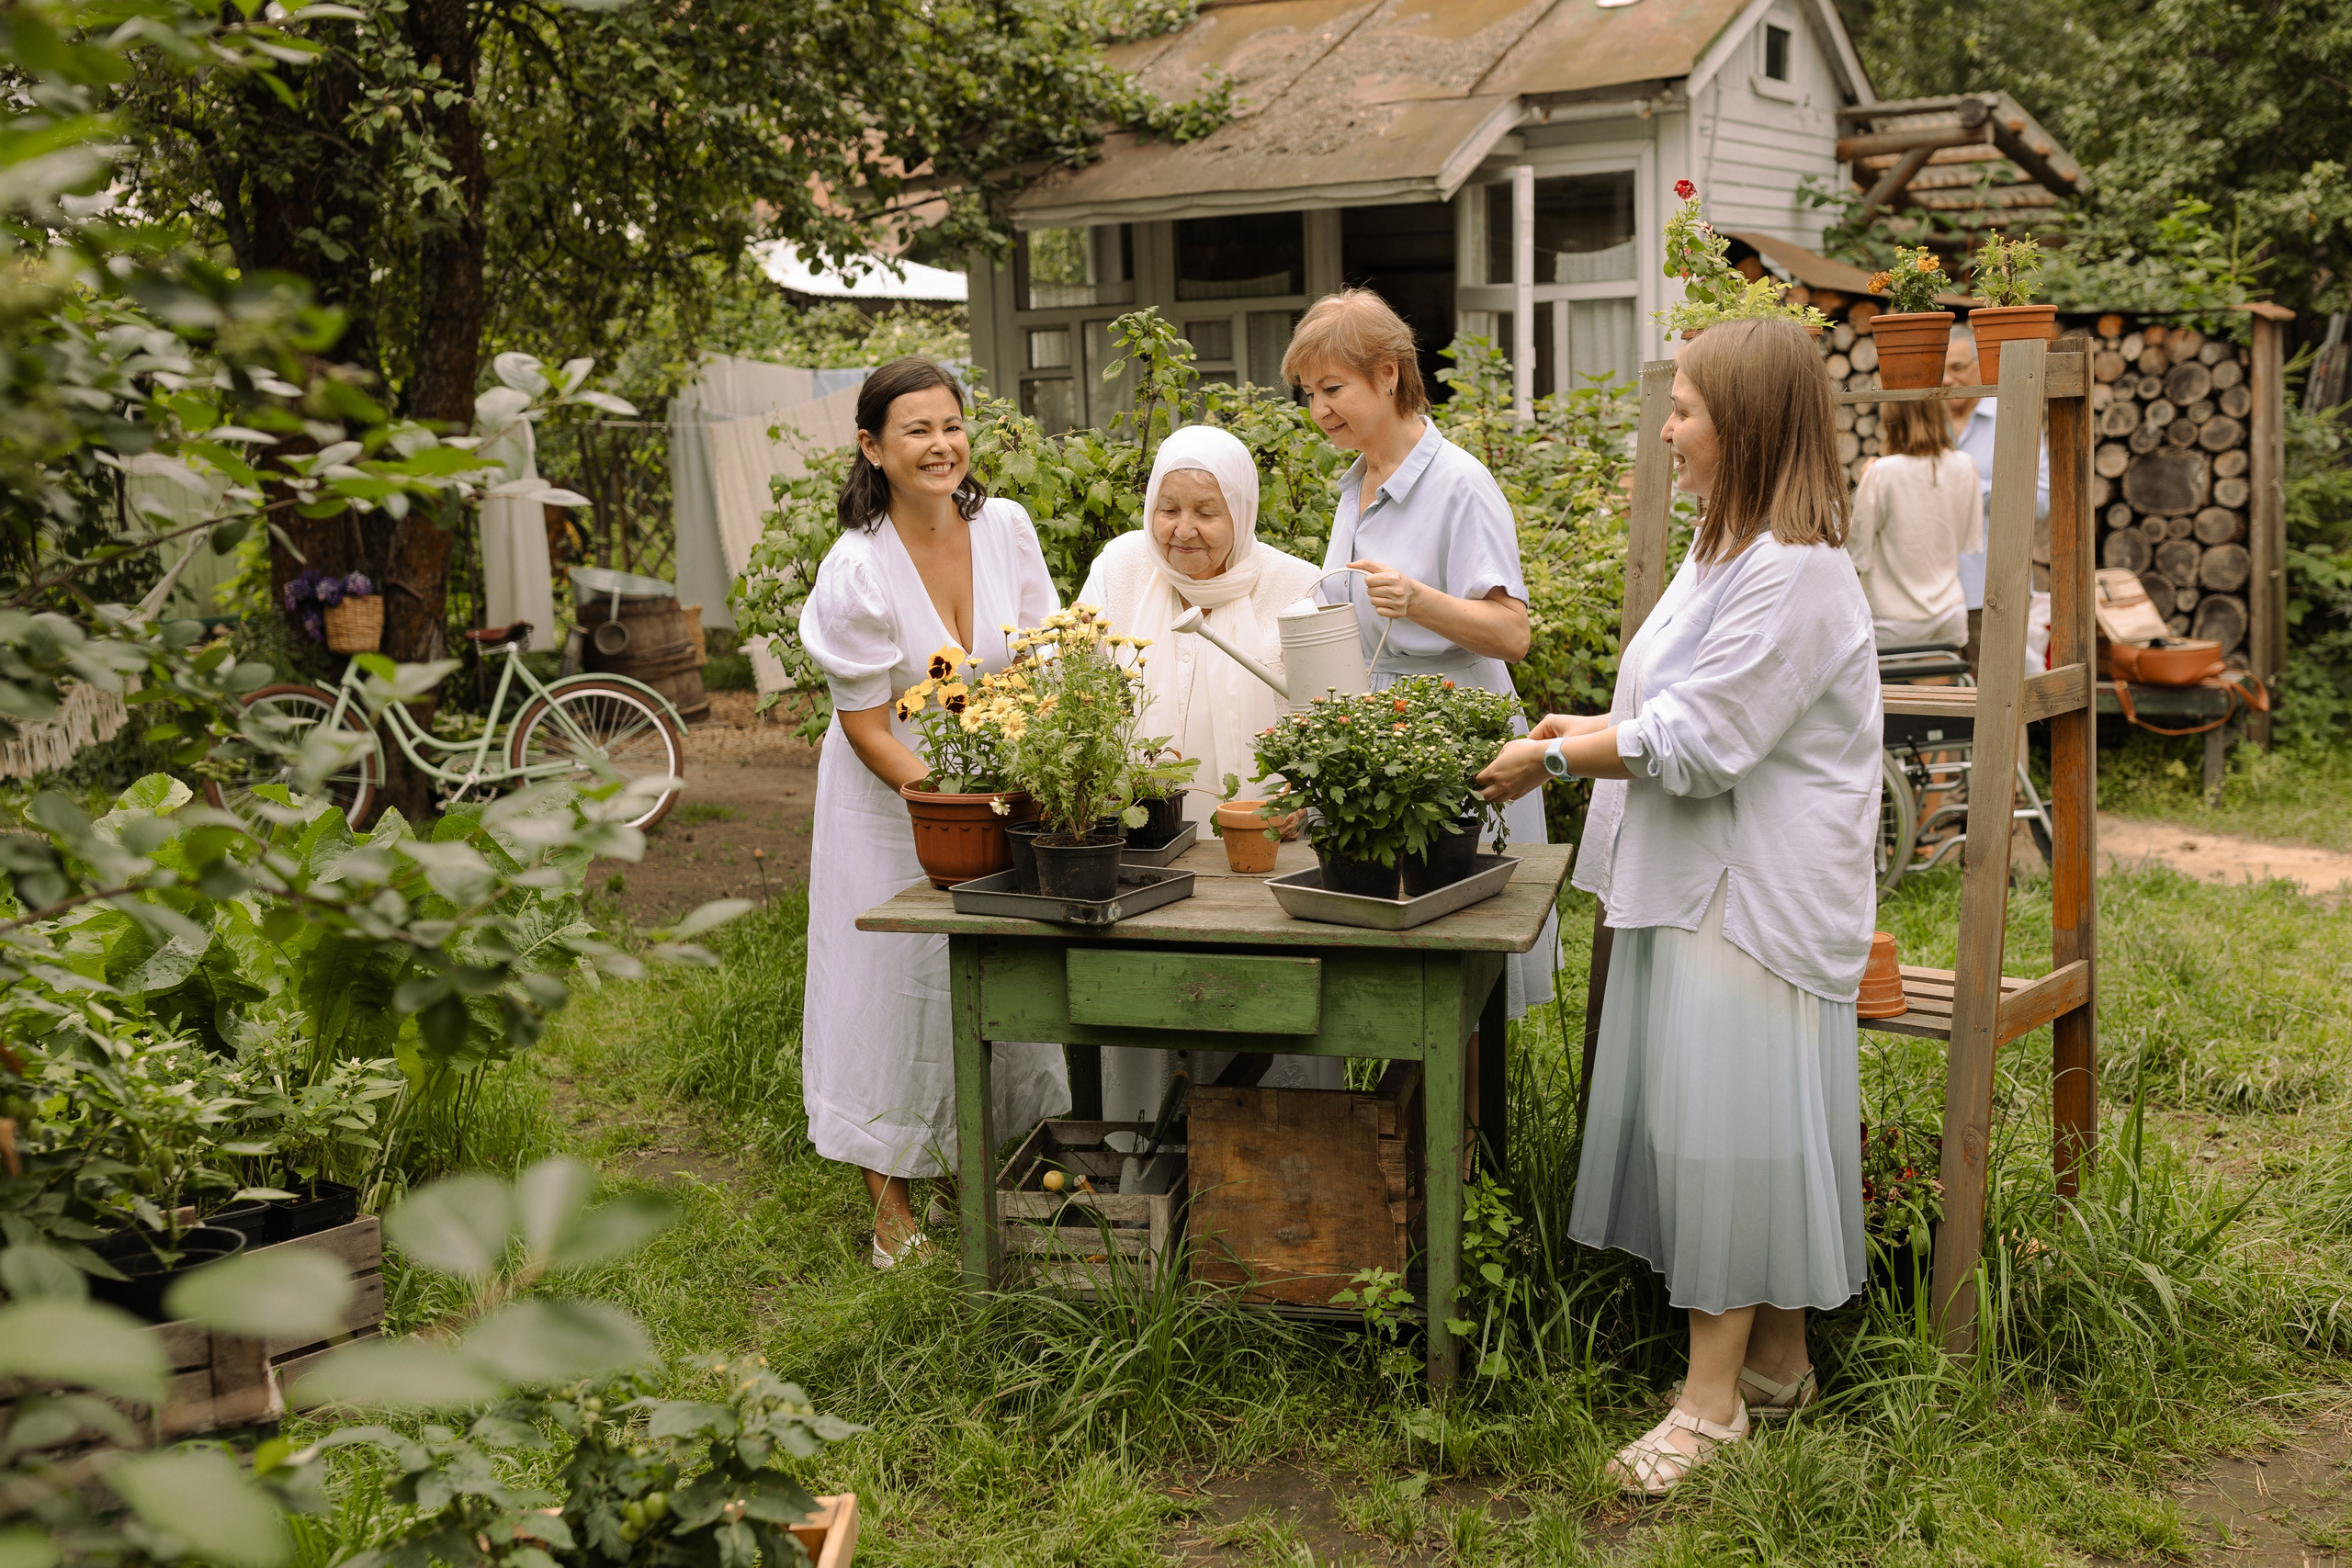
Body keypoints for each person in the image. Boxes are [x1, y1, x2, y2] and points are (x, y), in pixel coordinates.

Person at [1476, 319, 1878, 1495]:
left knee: (1725, 1136)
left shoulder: (1796, 572)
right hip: (1701, 882)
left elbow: (1702, 741)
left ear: (1745, 426)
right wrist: (1577, 733)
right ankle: (1777, 1365)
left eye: (1688, 410)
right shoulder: (1724, 553)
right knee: (1724, 1123)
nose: (1668, 431)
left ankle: (1707, 1409)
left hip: (1748, 896)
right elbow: (1668, 700)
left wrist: (1550, 765)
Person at [797, 357, 1070, 1269]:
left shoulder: (1005, 529)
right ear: (872, 448)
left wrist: (1019, 773)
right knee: (891, 992)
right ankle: (892, 1218)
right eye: (915, 429)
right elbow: (870, 723)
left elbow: (1032, 658)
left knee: (997, 978)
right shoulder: (856, 571)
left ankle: (985, 1180)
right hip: (891, 804)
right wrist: (946, 805)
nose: (940, 444)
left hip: (993, 785)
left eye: (951, 424)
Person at [1285, 288, 1557, 1016]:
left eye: (1333, 388)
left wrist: (1422, 601)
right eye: (1309, 393)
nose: (1319, 409)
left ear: (1388, 373)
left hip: (1455, 747)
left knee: (1460, 984)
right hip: (1389, 750)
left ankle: (1466, 1133)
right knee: (1401, 989)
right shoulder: (1356, 486)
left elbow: (1512, 633)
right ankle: (1406, 1132)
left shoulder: (1461, 484)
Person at [1076, 423, 1335, 1117]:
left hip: (1263, 857)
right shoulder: (1123, 569)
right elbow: (1070, 679)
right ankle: (1146, 1156)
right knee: (1147, 996)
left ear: (1242, 512)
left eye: (1206, 511)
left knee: (1268, 1005)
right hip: (1144, 852)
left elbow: (1336, 726)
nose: (1182, 531)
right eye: (1169, 507)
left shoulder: (1295, 586)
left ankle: (1280, 1162)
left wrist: (1298, 800)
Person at [1944, 323, 2049, 674]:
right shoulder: (1920, 421)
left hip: (1994, 589)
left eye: (1957, 368)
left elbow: (2041, 500)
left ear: (1982, 365)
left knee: (2003, 701)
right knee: (1939, 710)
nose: (1947, 380)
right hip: (1928, 596)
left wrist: (1964, 486)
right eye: (1941, 370)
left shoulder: (2013, 416)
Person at [1846, 398, 1980, 649]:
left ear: (1893, 419)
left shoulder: (1881, 472)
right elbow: (1967, 538)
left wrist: (1866, 483)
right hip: (1949, 613)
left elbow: (1857, 551)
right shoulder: (1965, 465)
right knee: (1939, 687)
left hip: (1893, 619)